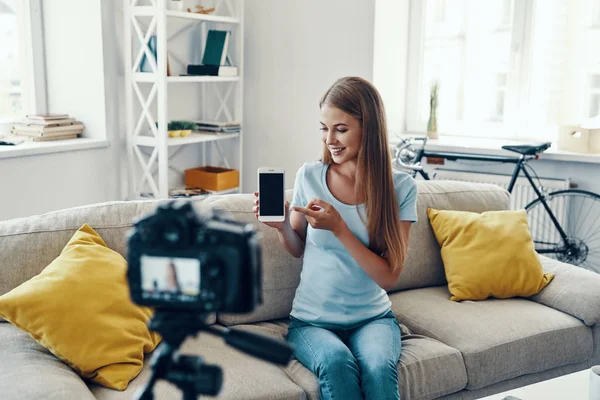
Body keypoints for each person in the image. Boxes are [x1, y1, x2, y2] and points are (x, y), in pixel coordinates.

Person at [253, 76, 417, 400]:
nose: (330, 139)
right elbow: (298, 247)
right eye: (324, 128)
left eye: (340, 129)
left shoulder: (401, 188)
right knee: (336, 363)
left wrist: (340, 228)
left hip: (373, 318)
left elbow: (389, 275)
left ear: (367, 128)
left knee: (378, 367)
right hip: (312, 323)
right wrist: (283, 226)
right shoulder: (310, 175)